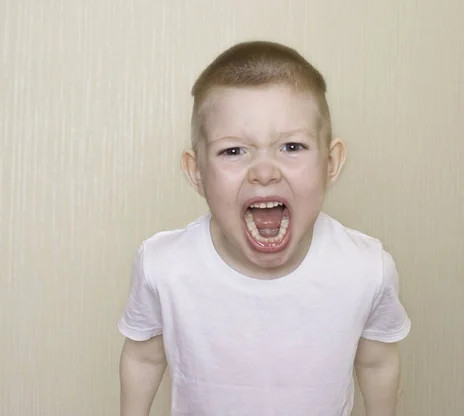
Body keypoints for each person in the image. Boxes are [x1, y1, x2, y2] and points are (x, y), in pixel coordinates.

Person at [118, 40, 411, 416]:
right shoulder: (164, 266)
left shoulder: (366, 268)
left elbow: (377, 364)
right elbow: (143, 359)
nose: (264, 172)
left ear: (331, 163)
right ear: (197, 173)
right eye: (234, 151)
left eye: (291, 147)